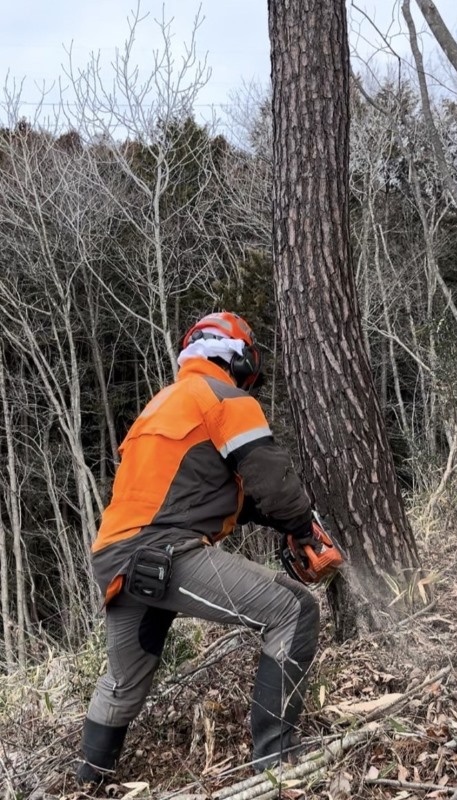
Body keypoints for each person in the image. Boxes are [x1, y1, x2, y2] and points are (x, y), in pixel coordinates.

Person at [76, 311, 320, 785]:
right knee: (294, 610)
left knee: (124, 681)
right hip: (163, 553)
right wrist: (301, 526)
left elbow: (201, 491)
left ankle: (89, 781)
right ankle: (277, 762)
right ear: (241, 357)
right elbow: (271, 478)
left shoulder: (162, 405)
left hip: (115, 559)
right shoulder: (226, 397)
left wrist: (270, 518)